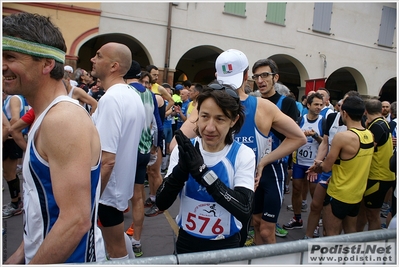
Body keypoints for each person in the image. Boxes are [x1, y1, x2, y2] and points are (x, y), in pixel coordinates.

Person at [172, 49, 306, 246]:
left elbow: (175, 145)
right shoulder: (262, 107)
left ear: (217, 76)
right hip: (243, 188)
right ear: (246, 76)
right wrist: (262, 162)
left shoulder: (205, 106)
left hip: (219, 190)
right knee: (243, 240)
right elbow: (299, 137)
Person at [3, 12, 105, 263]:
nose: (3, 65)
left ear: (47, 63)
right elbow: (44, 214)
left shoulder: (63, 120)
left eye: (11, 57)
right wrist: (18, 257)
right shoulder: (47, 116)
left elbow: (75, 221)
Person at [156, 86, 256, 253]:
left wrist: (203, 173)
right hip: (187, 243)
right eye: (205, 116)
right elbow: (161, 202)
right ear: (197, 115)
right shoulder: (185, 150)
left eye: (220, 119)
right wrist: (181, 171)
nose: (210, 127)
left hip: (225, 246)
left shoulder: (243, 154)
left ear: (234, 120)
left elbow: (244, 208)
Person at [90, 42, 145, 260]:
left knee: (115, 252)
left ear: (113, 66)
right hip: (115, 189)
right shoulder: (132, 95)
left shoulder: (112, 99)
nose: (93, 60)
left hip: (106, 193)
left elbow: (107, 160)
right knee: (119, 243)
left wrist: (91, 197)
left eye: (98, 55)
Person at [251, 57, 306, 243]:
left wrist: (268, 117)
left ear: (276, 77)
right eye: (256, 76)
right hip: (252, 170)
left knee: (267, 231)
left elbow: (293, 138)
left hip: (274, 169)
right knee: (256, 222)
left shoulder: (287, 104)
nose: (260, 81)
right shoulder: (252, 103)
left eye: (265, 75)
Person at [309, 96, 374, 236]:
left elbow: (326, 167)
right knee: (350, 232)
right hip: (356, 194)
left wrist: (318, 164)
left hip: (338, 193)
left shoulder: (343, 137)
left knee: (331, 234)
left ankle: (329, 258)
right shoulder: (369, 134)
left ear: (344, 113)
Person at [123, 60, 163, 257]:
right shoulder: (149, 94)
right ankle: (136, 241)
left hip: (124, 153)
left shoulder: (121, 91)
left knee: (112, 198)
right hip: (144, 150)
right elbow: (156, 124)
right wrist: (155, 149)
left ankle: (115, 247)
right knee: (138, 196)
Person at [284, 93, 325, 231]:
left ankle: (317, 221)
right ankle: (297, 218)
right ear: (308, 105)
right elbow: (292, 137)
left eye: (321, 104)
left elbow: (325, 144)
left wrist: (315, 135)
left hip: (315, 164)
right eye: (316, 104)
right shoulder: (300, 120)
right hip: (299, 162)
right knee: (296, 190)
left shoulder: (323, 122)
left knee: (315, 194)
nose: (319, 107)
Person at [356, 99, 395, 231]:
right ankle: (358, 238)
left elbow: (366, 149)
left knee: (373, 214)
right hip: (378, 175)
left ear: (365, 111)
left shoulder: (377, 126)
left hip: (378, 176)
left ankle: (373, 244)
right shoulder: (382, 122)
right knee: (363, 210)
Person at [2, 92, 28, 218]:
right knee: (8, 173)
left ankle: (16, 203)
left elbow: (14, 119)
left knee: (9, 173)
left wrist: (8, 133)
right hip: (10, 138)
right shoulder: (9, 98)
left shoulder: (13, 98)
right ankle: (16, 201)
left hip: (11, 139)